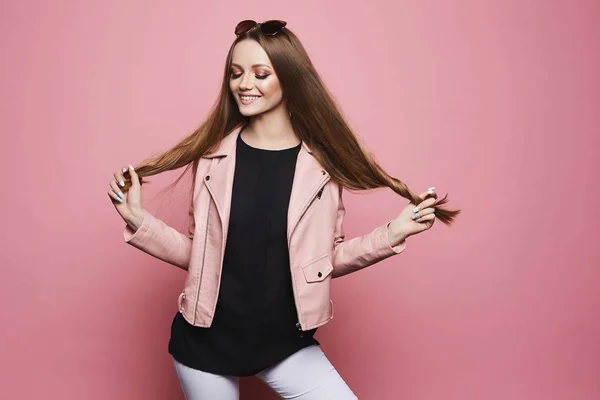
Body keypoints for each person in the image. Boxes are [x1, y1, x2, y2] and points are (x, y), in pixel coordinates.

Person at [107, 19, 459, 400]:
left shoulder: (322, 168)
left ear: (288, 78)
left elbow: (321, 262)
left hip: (283, 344)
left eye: (261, 74)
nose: (245, 85)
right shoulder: (213, 160)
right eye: (236, 73)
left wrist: (392, 234)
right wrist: (138, 221)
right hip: (205, 345)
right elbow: (203, 256)